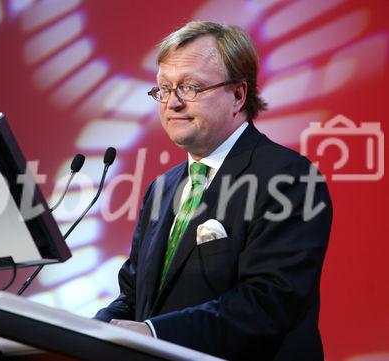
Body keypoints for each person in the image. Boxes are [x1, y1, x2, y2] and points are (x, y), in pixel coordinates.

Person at [94, 21, 332, 361]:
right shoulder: (162, 188)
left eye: (189, 87)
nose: (172, 103)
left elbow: (267, 302)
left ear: (237, 95)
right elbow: (134, 296)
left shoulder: (289, 177)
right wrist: (86, 330)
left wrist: (154, 333)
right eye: (163, 88)